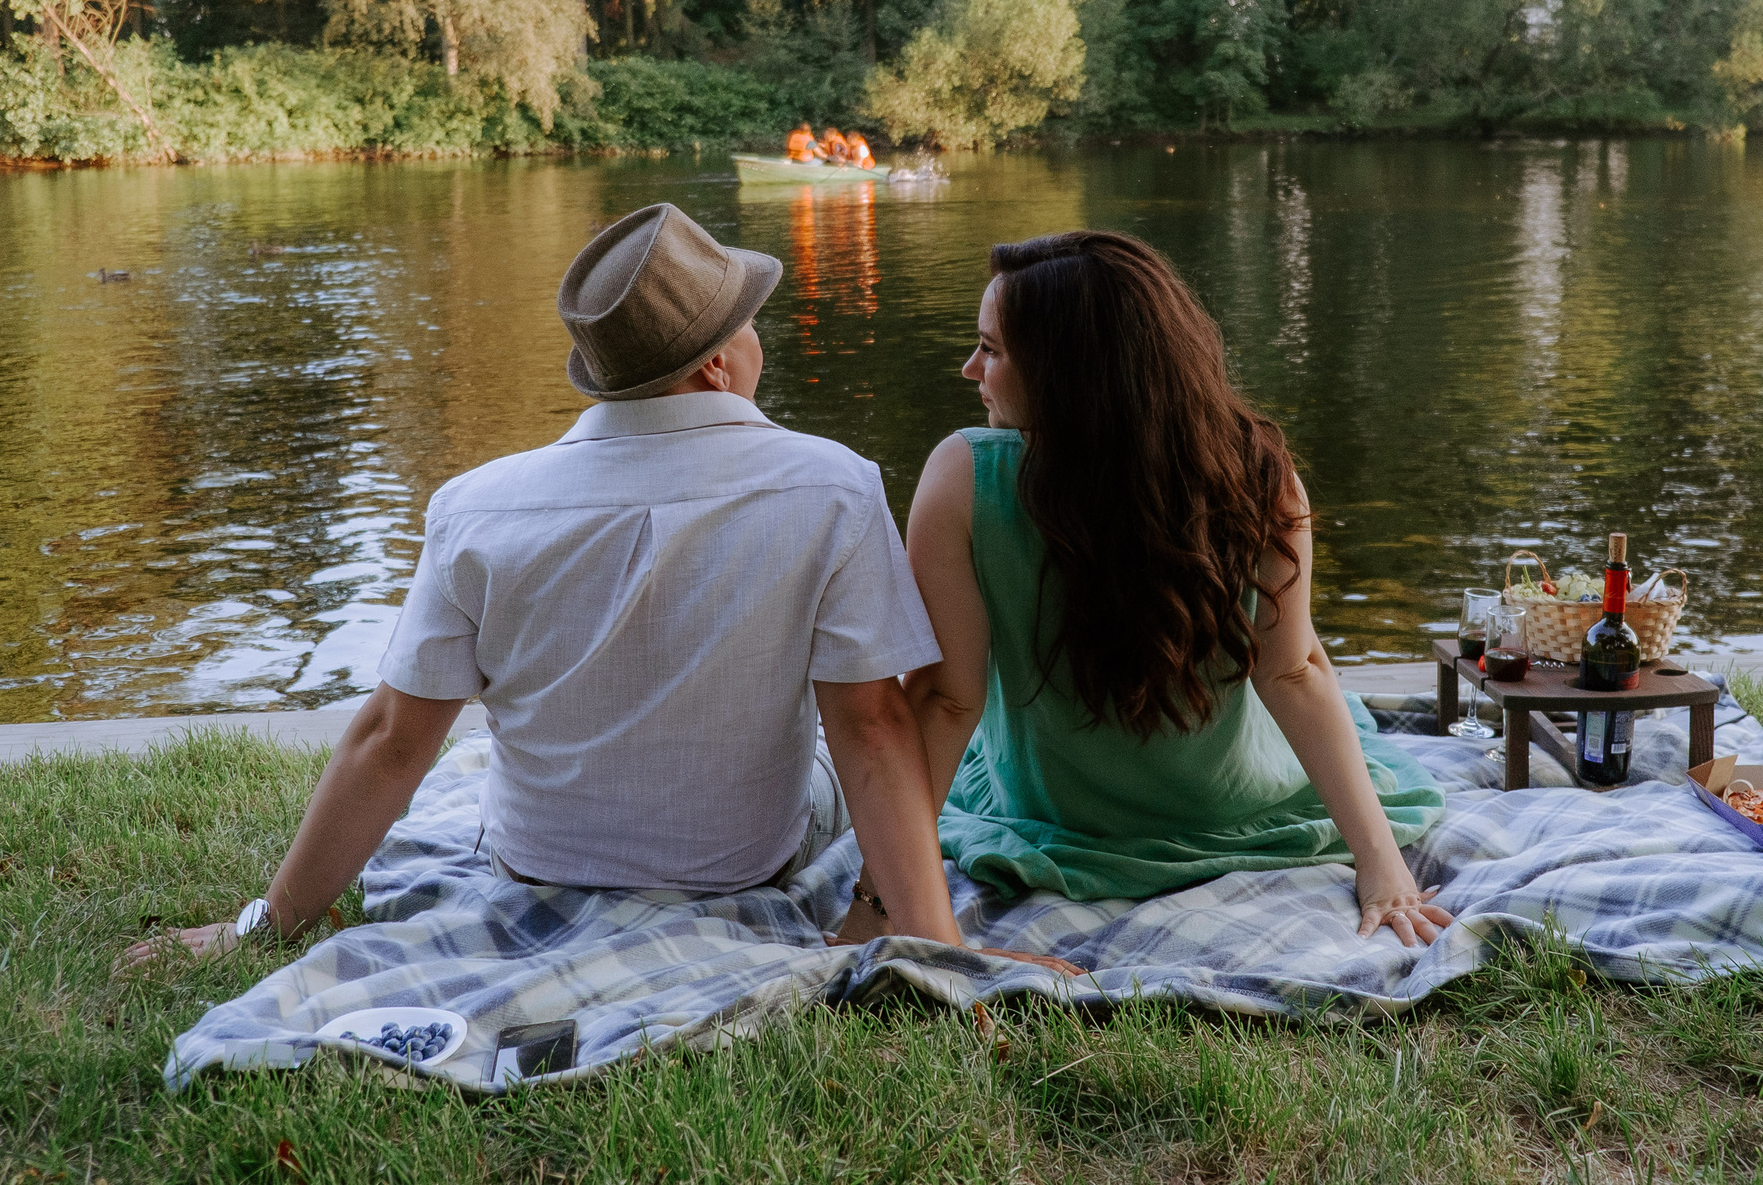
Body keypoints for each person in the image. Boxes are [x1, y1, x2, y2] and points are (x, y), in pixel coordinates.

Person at [121, 204, 1072, 974]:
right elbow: (870, 727)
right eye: (749, 322)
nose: (759, 338)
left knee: (474, 759)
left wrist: (268, 922)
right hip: (745, 863)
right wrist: (934, 946)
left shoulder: (474, 507)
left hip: (537, 861)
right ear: (717, 363)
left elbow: (391, 738)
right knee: (843, 747)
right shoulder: (834, 486)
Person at [887, 230, 1452, 947]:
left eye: (991, 350)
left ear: (1067, 371)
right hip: (1236, 808)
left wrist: (879, 899)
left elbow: (946, 699)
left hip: (1062, 821)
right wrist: (1380, 863)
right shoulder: (1259, 473)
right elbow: (1295, 671)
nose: (970, 368)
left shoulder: (964, 478)